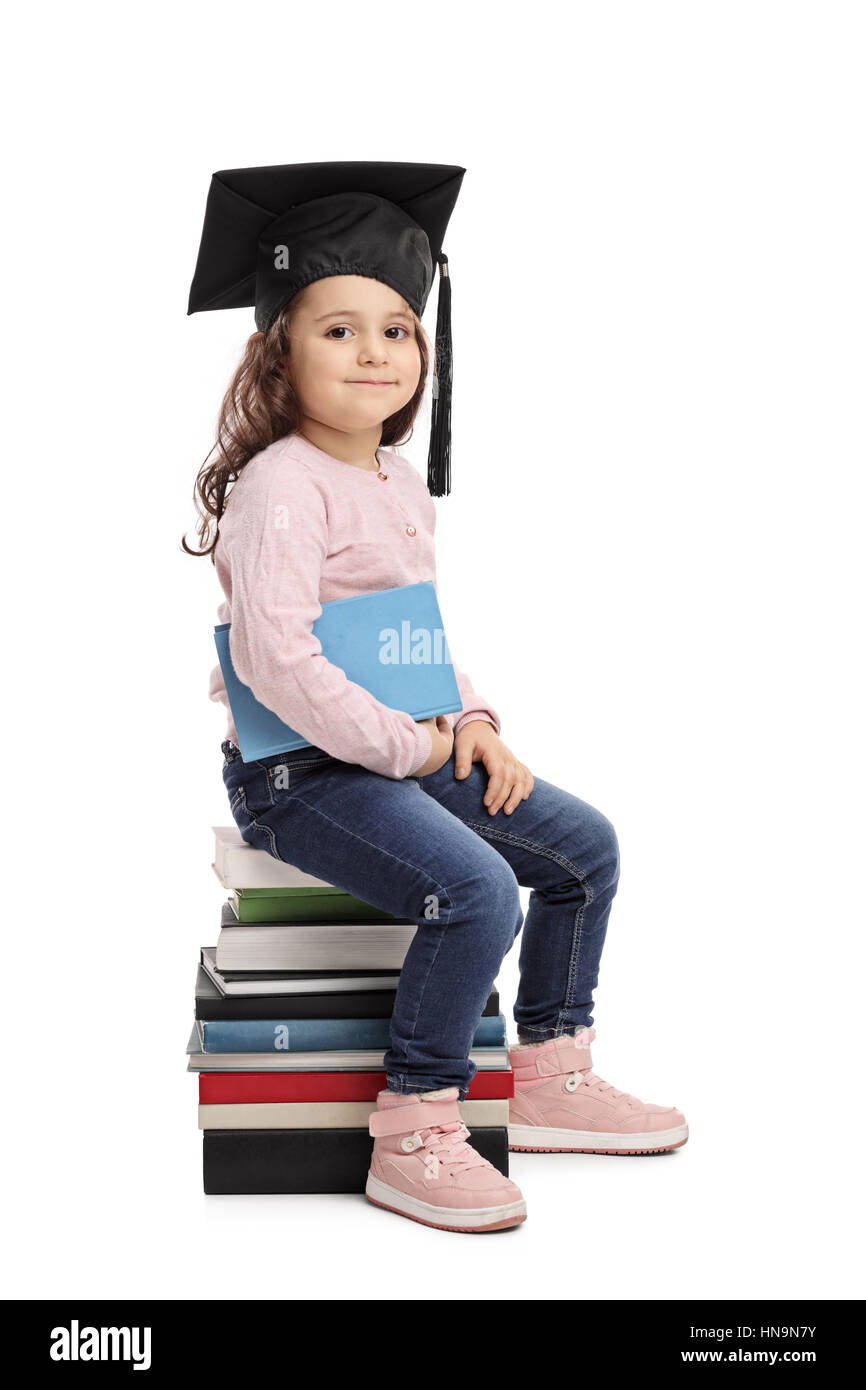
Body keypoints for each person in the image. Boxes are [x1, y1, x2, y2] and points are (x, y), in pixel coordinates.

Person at [183, 161, 688, 1234]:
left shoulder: (395, 481)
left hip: (401, 741)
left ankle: (548, 1069)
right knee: (476, 890)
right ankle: (413, 1124)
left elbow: (413, 636)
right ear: (278, 348)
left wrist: (468, 724)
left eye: (398, 329)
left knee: (581, 849)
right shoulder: (279, 485)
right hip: (301, 773)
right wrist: (409, 750)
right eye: (338, 330)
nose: (375, 352)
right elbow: (275, 660)